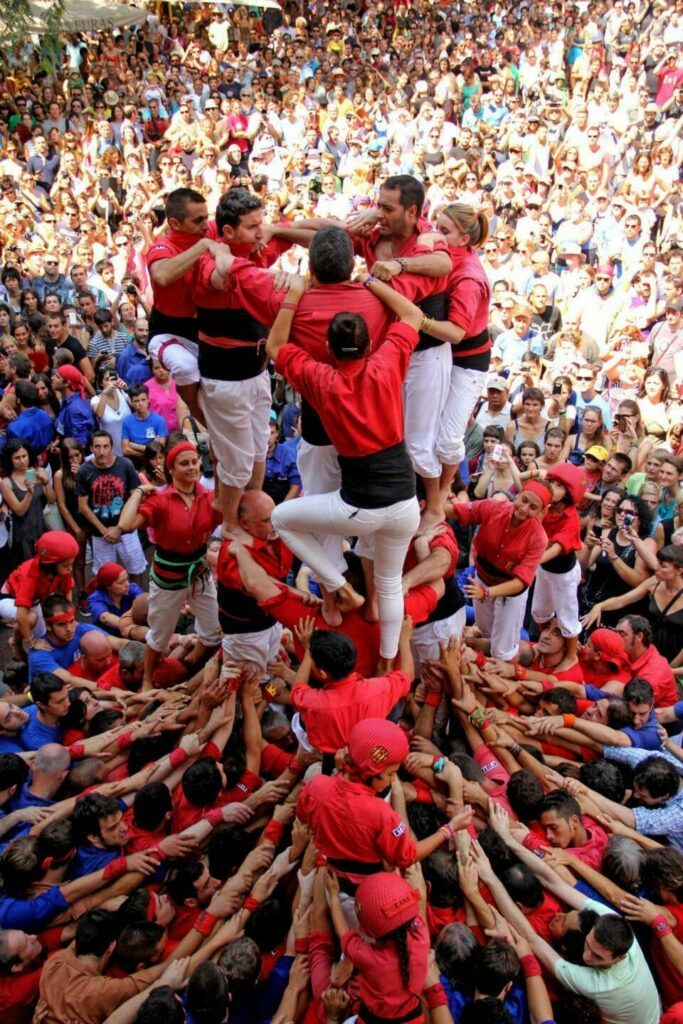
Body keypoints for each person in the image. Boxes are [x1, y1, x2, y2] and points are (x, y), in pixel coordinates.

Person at [266, 271, 423, 661]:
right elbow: (413, 316)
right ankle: (388, 663)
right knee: (388, 584)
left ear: (327, 348)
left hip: (359, 507)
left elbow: (275, 344)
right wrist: (371, 282)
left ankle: (339, 586)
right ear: (369, 343)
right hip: (405, 501)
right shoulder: (386, 362)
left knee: (282, 519)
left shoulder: (322, 377)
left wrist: (296, 294)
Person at [119, 440, 221, 689]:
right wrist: (139, 492)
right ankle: (146, 679)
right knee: (160, 635)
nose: (191, 467)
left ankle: (197, 654)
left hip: (198, 573)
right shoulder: (160, 500)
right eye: (184, 463)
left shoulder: (209, 496)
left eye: (195, 462)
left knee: (214, 628)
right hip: (167, 577)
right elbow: (125, 525)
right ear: (171, 469)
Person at [449, 483, 550, 660]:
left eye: (533, 507)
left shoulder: (539, 538)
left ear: (542, 512)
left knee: (502, 650)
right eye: (523, 500)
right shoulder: (493, 507)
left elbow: (520, 582)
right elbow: (458, 511)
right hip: (482, 579)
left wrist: (486, 592)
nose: (524, 509)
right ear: (517, 495)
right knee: (486, 630)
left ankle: (502, 675)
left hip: (510, 593)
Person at [76, 430, 147, 583]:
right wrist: (104, 531)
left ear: (112, 447)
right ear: (91, 448)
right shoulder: (84, 470)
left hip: (127, 530)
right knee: (104, 576)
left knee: (135, 570)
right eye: (97, 447)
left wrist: (119, 528)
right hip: (100, 533)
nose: (102, 452)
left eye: (105, 446)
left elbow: (135, 496)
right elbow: (83, 506)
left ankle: (136, 603)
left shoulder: (125, 465)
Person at [0, 530, 78, 652]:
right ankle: (15, 642)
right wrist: (32, 642)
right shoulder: (29, 576)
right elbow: (21, 616)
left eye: (71, 564)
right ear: (51, 564)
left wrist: (69, 617)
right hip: (8, 599)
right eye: (66, 565)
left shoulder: (61, 567)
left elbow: (67, 591)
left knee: (43, 637)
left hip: (34, 601)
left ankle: (20, 630)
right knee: (31, 619)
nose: (70, 569)